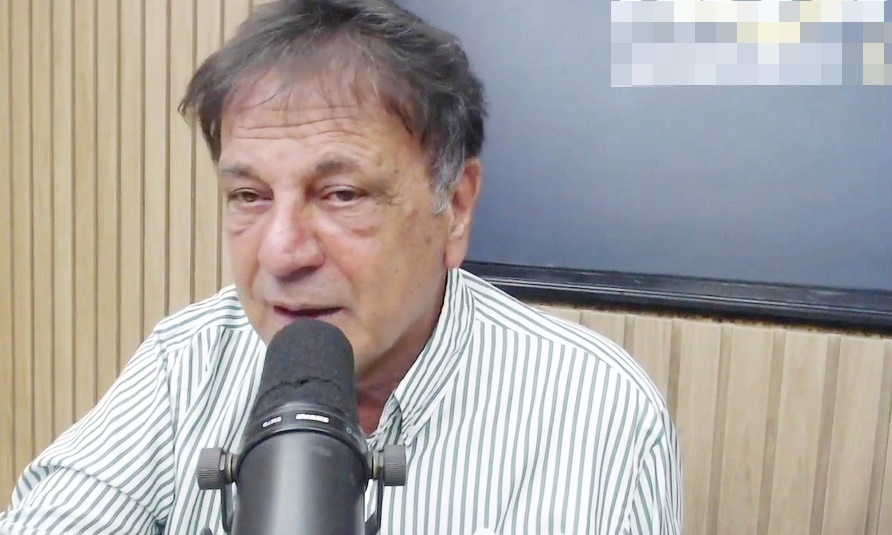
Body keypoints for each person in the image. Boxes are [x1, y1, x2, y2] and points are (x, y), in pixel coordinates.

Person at [0, 0, 681, 533]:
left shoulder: (602, 414)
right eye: (249, 196)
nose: (280, 252)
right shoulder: (187, 363)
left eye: (342, 194)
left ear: (455, 207)